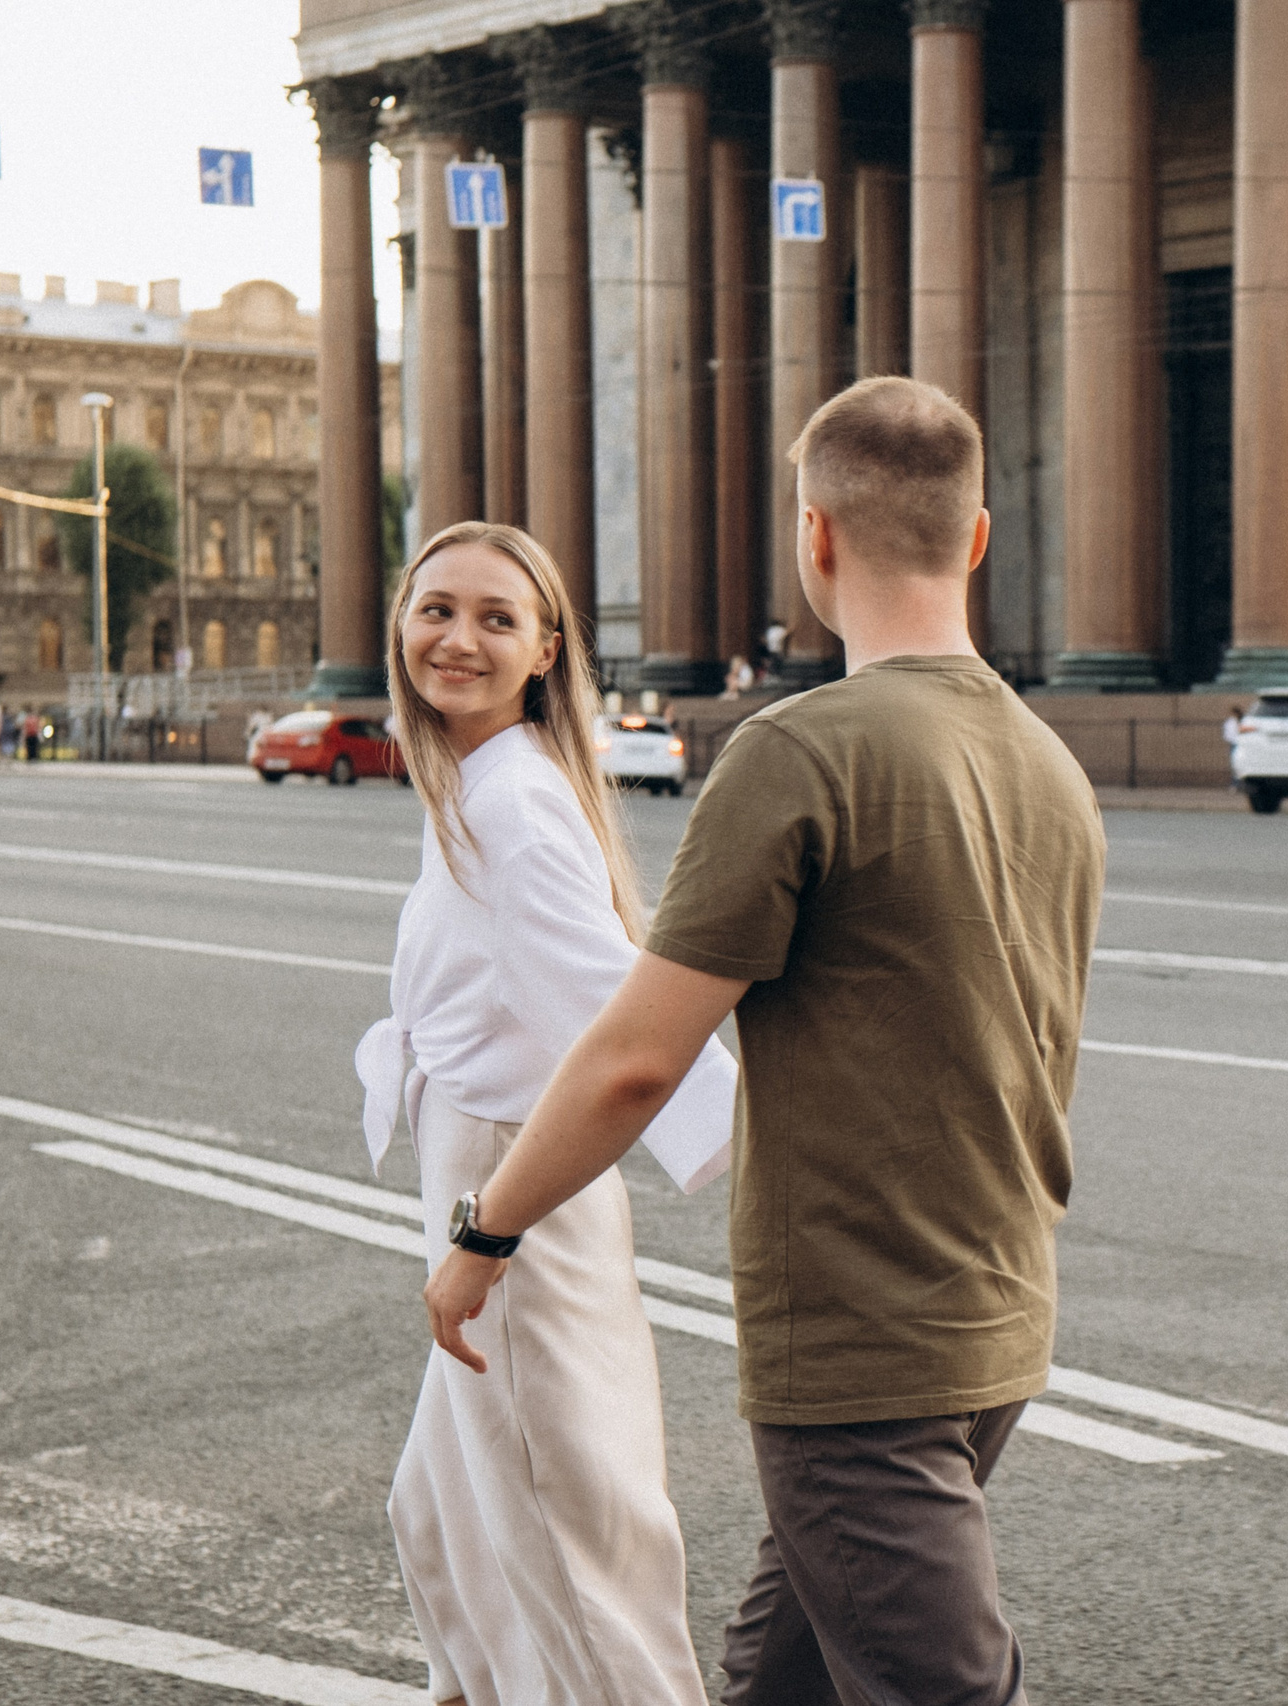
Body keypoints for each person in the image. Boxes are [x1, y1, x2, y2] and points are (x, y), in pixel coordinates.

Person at [423, 377, 1103, 1706]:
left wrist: (486, 1231)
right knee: (779, 1682)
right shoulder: (1050, 763)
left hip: (858, 1345)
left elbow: (636, 1052)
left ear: (815, 540)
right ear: (975, 541)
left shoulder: (799, 751)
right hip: (996, 1316)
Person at [356, 520, 740, 1706]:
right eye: (436, 608)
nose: (456, 638)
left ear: (544, 649)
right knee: (445, 1518)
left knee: (577, 1561)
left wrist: (485, 1239)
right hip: (496, 1200)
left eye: (494, 617)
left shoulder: (513, 805)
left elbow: (631, 1040)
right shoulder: (477, 785)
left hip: (517, 1217)